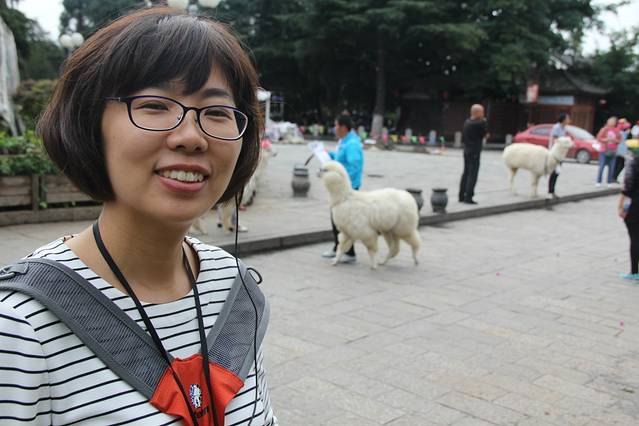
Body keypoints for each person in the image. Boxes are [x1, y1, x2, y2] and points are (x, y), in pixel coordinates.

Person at [0, 8, 277, 425]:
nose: (191, 137)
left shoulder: (234, 288)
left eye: (217, 112)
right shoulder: (19, 328)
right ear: (90, 123)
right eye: (154, 105)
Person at [321, 114, 363, 263]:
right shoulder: (344, 141)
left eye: (336, 125)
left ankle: (350, 253)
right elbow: (340, 159)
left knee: (345, 220)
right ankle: (337, 247)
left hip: (347, 189)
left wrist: (342, 180)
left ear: (343, 127)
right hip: (339, 189)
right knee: (336, 219)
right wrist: (329, 154)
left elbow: (354, 167)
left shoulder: (352, 144)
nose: (335, 128)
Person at [458, 104, 487, 204]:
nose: (483, 114)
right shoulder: (480, 123)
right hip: (475, 151)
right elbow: (485, 135)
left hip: (466, 150)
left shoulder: (467, 122)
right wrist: (484, 122)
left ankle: (461, 195)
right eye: (482, 112)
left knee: (466, 173)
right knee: (473, 174)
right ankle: (468, 197)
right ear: (478, 113)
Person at [618, 140, 639, 280]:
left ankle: (634, 272)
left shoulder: (634, 162)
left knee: (635, 237)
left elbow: (628, 187)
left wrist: (621, 206)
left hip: (636, 205)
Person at [547, 113, 571, 199]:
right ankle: (550, 191)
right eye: (567, 119)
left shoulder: (564, 128)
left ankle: (553, 191)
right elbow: (556, 139)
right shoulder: (556, 127)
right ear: (563, 119)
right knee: (553, 173)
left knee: (557, 173)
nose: (569, 120)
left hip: (560, 154)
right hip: (554, 153)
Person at [596, 116, 621, 187]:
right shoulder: (604, 129)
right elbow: (599, 138)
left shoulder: (617, 130)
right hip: (604, 150)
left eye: (613, 121)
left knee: (611, 167)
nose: (611, 122)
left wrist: (615, 140)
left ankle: (609, 182)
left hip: (613, 151)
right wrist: (606, 139)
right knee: (601, 167)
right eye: (610, 121)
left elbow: (619, 140)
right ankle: (598, 181)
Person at [614, 118, 631, 182]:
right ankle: (614, 177)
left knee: (617, 163)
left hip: (618, 149)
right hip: (621, 150)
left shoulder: (618, 130)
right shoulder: (623, 131)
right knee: (620, 164)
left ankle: (613, 177)